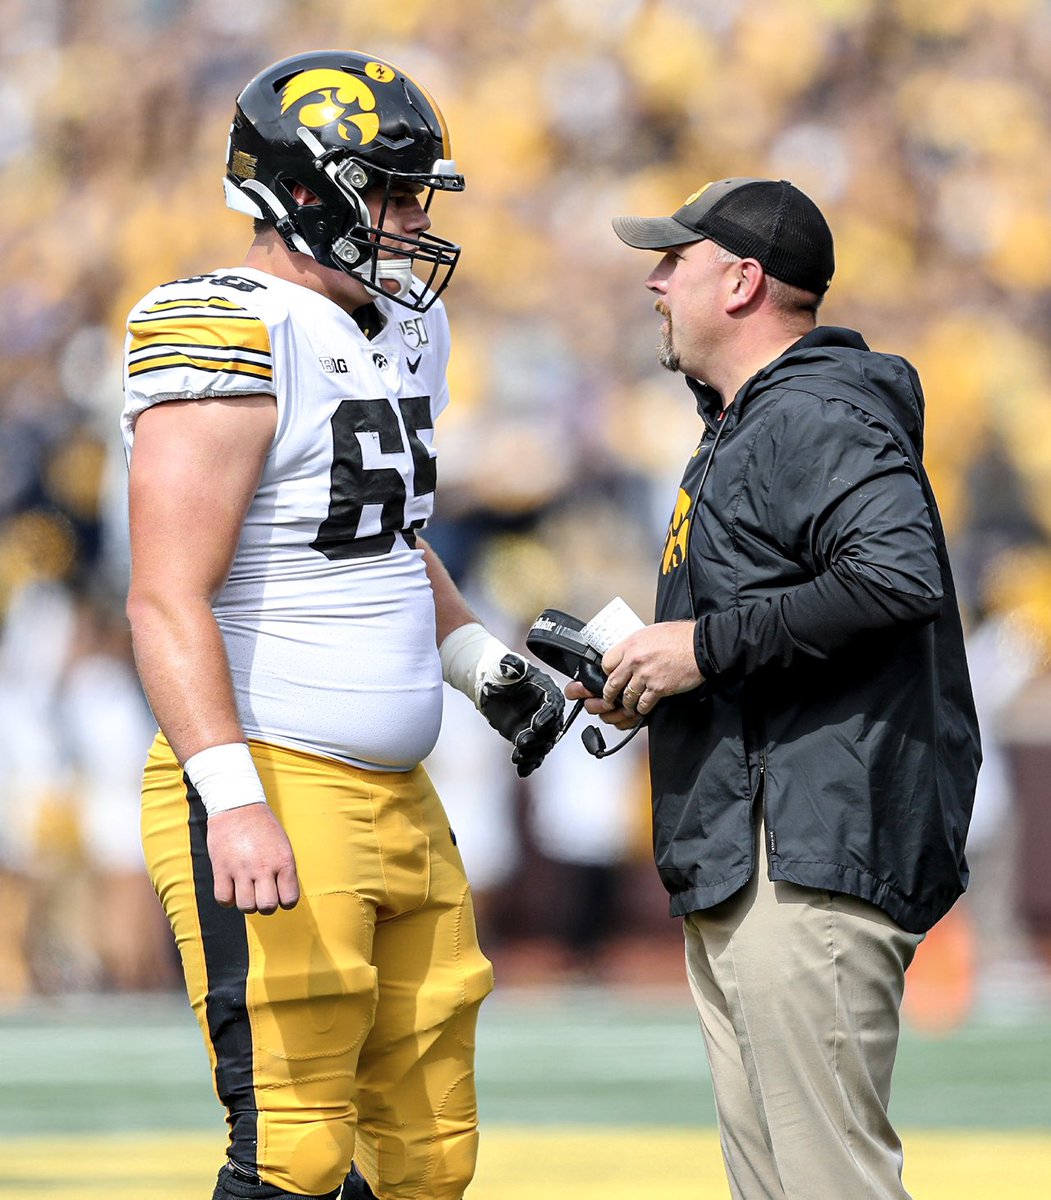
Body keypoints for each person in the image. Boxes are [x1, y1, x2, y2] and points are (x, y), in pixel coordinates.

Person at [120, 50, 564, 1200]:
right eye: (393, 193)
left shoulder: (411, 328)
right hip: (277, 773)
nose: (413, 220)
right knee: (296, 1149)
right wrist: (232, 800)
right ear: (303, 189)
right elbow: (165, 594)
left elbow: (379, 539)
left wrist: (480, 662)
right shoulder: (225, 327)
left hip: (400, 790)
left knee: (428, 1157)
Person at [567, 177, 980, 1198]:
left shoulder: (810, 411)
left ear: (742, 281)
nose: (655, 283)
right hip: (761, 845)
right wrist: (655, 675)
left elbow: (895, 577)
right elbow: (779, 628)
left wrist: (701, 649)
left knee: (827, 1183)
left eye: (675, 261)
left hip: (804, 848)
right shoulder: (752, 420)